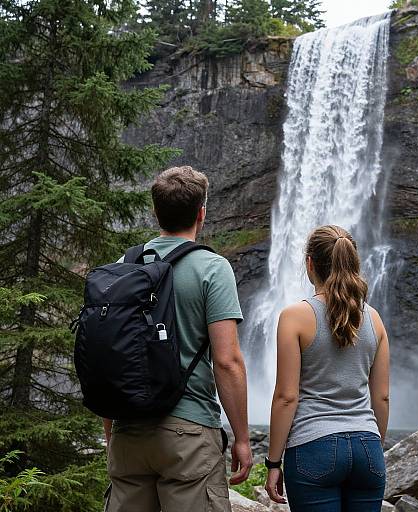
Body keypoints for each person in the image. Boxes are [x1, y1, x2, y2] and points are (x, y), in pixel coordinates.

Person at [104, 166, 253, 512]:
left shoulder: (123, 266)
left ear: (155, 213)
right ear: (201, 213)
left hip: (129, 431)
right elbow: (227, 361)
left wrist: (111, 433)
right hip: (189, 432)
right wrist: (242, 439)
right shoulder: (212, 269)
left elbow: (111, 355)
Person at [264, 225, 390, 512]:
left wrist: (273, 462)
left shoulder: (294, 317)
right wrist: (372, 447)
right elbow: (381, 397)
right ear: (353, 263)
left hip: (313, 446)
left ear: (310, 263)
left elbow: (286, 396)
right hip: (367, 447)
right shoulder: (375, 319)